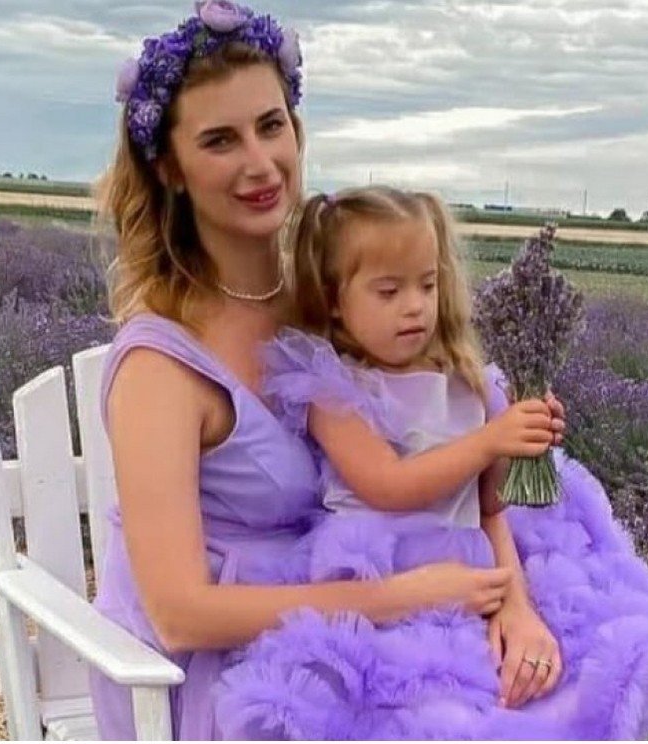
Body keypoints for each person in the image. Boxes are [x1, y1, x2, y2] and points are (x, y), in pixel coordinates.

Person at [88, 3, 542, 738]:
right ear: (169, 168)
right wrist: (401, 599)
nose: (260, 163)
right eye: (220, 140)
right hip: (225, 671)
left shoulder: (339, 308)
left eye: (271, 126)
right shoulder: (159, 367)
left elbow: (466, 487)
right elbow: (179, 614)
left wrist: (512, 606)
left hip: (368, 615)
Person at [210, 186, 648, 739]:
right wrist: (488, 441)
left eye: (427, 285)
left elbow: (487, 505)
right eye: (389, 291)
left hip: (473, 573)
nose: (414, 305)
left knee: (551, 685)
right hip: (387, 586)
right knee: (426, 714)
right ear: (335, 299)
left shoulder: (464, 381)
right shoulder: (334, 389)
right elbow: (388, 485)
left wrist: (520, 446)